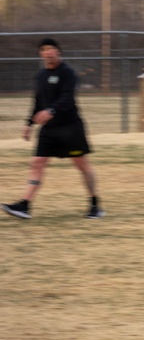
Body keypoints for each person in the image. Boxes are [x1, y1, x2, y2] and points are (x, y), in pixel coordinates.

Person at [2, 38, 105, 220]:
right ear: (41, 54)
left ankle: (95, 205)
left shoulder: (68, 73)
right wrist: (29, 123)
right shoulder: (40, 75)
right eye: (44, 49)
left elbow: (67, 97)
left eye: (51, 48)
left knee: (81, 165)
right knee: (37, 162)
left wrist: (51, 111)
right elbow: (37, 101)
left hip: (70, 127)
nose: (48, 52)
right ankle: (24, 205)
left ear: (58, 51)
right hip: (49, 129)